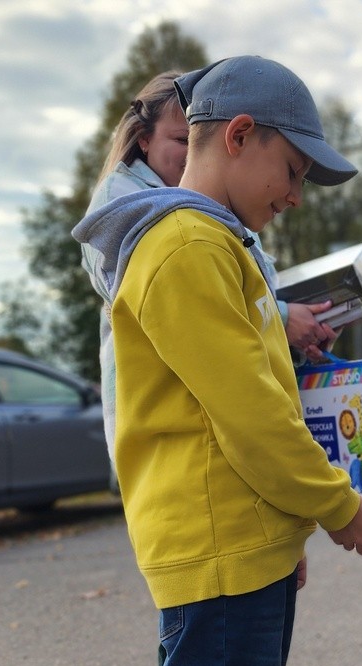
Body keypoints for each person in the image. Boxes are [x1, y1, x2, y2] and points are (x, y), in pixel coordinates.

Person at [72, 55, 362, 666]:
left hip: (241, 546)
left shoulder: (219, 243)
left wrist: (286, 531)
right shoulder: (188, 246)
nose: (296, 195)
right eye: (293, 171)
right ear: (239, 135)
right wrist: (337, 506)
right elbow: (253, 416)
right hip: (219, 556)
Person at [82, 70, 337, 460]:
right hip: (183, 444)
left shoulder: (223, 218)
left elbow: (238, 313)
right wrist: (284, 317)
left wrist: (293, 335)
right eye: (182, 139)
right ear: (144, 139)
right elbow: (180, 300)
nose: (194, 151)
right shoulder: (165, 228)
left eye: (199, 135)